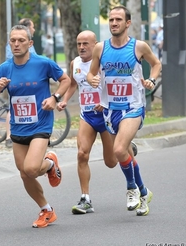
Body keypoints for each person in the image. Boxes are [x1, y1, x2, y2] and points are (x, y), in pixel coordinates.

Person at [0, 24, 70, 228]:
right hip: (18, 126)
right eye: (13, 40)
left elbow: (65, 80)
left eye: (21, 40)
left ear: (30, 43)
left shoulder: (43, 63)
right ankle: (47, 210)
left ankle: (49, 163)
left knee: (32, 168)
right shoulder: (4, 68)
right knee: (24, 173)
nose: (16, 44)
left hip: (41, 122)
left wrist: (55, 97)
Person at [87, 6, 161, 216]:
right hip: (111, 110)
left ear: (127, 23)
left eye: (118, 20)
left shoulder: (139, 47)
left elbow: (156, 64)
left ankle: (131, 188)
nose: (114, 23)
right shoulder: (100, 48)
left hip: (133, 107)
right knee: (125, 154)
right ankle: (144, 192)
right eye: (111, 20)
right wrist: (92, 80)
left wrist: (151, 80)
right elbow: (92, 75)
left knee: (119, 150)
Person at [57, 30, 137, 214]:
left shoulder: (104, 63)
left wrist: (105, 101)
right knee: (82, 154)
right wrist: (64, 99)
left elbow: (117, 82)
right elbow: (73, 84)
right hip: (88, 116)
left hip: (107, 115)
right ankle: (85, 199)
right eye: (79, 44)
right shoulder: (75, 63)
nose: (82, 47)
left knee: (111, 162)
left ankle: (126, 145)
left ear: (96, 45)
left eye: (86, 43)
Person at [4, 18, 38, 148]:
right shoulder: (16, 45)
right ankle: (9, 136)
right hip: (15, 79)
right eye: (33, 27)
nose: (16, 44)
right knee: (13, 106)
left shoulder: (28, 44)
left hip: (29, 79)